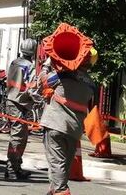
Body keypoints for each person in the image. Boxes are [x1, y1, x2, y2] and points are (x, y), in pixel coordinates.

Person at [39, 48, 97, 195]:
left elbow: (42, 82)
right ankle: (55, 190)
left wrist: (47, 65)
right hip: (74, 129)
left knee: (56, 163)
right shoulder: (91, 84)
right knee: (63, 165)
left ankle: (60, 191)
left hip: (55, 124)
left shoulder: (62, 76)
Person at [4, 38, 39, 179]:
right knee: (18, 138)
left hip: (12, 101)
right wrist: (40, 101)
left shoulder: (14, 62)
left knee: (21, 137)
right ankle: (12, 169)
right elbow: (32, 88)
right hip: (20, 104)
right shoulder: (29, 66)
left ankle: (16, 166)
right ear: (34, 51)